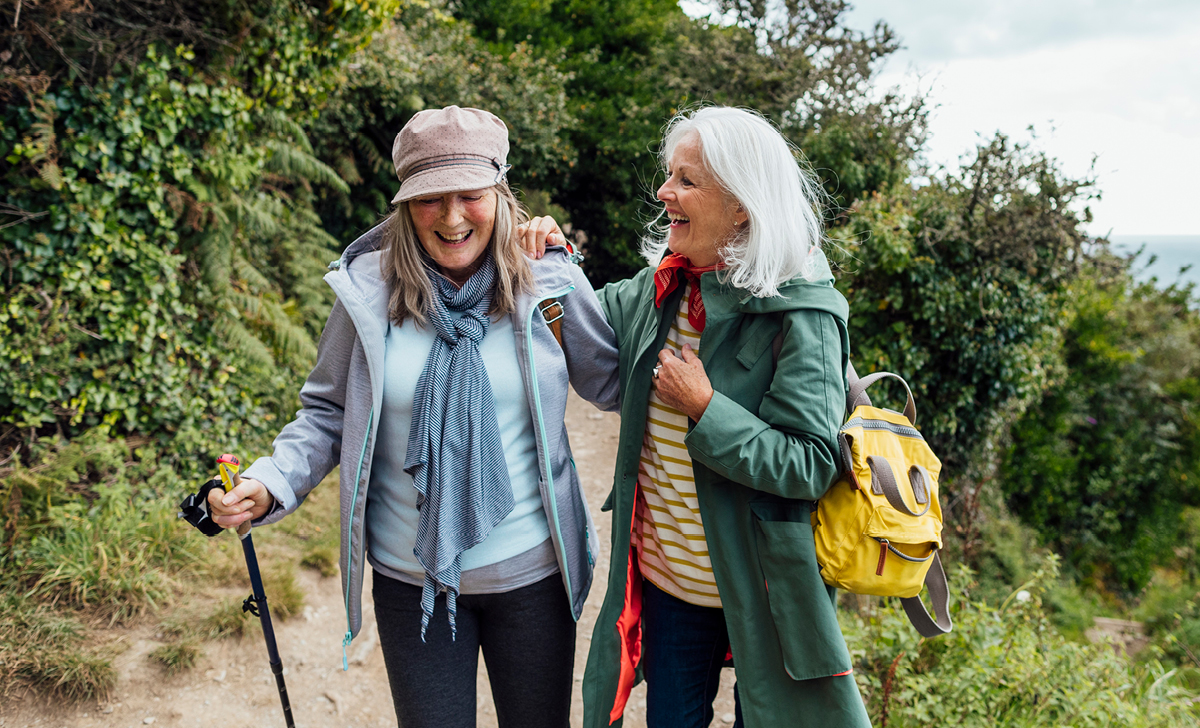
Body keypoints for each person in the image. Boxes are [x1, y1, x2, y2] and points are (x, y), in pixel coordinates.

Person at [207, 105, 619, 728]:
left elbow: (616, 382)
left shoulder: (548, 281)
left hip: (533, 578)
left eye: (471, 195)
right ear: (404, 204)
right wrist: (270, 483)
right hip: (409, 579)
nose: (452, 218)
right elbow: (325, 413)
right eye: (430, 198)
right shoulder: (366, 293)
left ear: (501, 194)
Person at [522, 106, 871, 727]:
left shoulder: (803, 315)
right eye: (669, 176)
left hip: (764, 592)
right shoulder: (666, 286)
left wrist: (707, 409)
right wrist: (552, 256)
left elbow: (812, 464)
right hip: (670, 587)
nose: (665, 192)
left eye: (687, 180)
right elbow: (591, 336)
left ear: (742, 205)